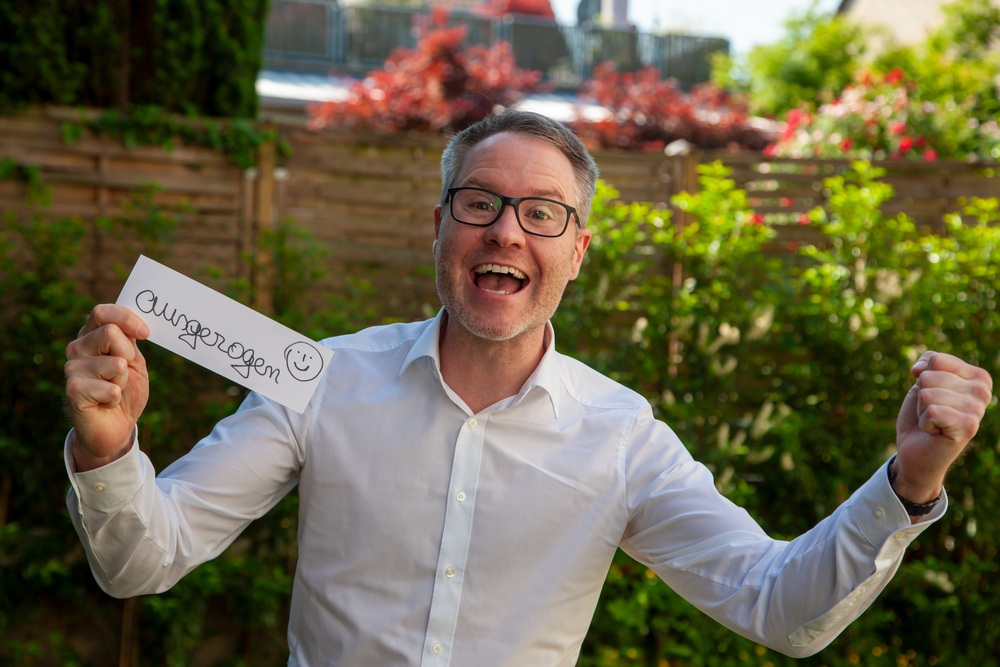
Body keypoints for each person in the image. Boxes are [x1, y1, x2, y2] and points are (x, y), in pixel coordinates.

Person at [64, 110, 992, 666]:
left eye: (542, 213)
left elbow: (776, 603)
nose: (507, 231)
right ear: (439, 227)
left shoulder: (621, 435)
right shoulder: (322, 379)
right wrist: (109, 448)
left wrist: (908, 483)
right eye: (481, 203)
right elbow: (142, 561)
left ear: (576, 251)